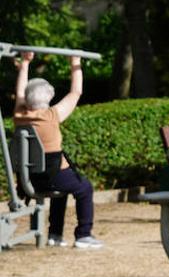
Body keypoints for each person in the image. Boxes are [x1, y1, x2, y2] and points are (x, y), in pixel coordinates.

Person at [11, 51, 103, 249]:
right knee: (84, 188)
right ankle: (83, 235)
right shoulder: (52, 115)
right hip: (52, 177)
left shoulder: (19, 115)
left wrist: (25, 63)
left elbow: (19, 93)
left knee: (62, 188)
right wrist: (75, 64)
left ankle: (55, 234)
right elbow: (76, 92)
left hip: (28, 179)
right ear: (49, 98)